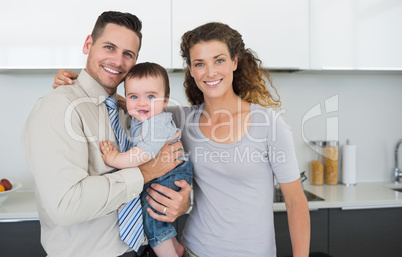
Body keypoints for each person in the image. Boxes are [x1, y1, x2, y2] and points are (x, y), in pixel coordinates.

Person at [53, 22, 310, 257]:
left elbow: (296, 202)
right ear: (191, 69)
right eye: (199, 63)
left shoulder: (269, 124)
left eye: (218, 60)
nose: (209, 72)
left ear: (234, 61)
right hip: (192, 250)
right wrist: (77, 84)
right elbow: (134, 103)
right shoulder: (179, 119)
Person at [21, 11, 191, 257]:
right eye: (109, 47)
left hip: (143, 249)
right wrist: (145, 173)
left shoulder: (132, 110)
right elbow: (65, 206)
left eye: (128, 54)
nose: (117, 61)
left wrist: (180, 203)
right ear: (88, 44)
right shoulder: (57, 108)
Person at [100, 62, 193, 257]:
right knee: (154, 213)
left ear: (165, 100)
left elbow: (143, 154)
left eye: (151, 97)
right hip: (166, 171)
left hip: (172, 171)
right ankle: (175, 247)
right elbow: (134, 109)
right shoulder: (144, 115)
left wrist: (116, 159)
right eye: (134, 96)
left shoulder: (156, 123)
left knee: (154, 218)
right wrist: (124, 103)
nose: (142, 103)